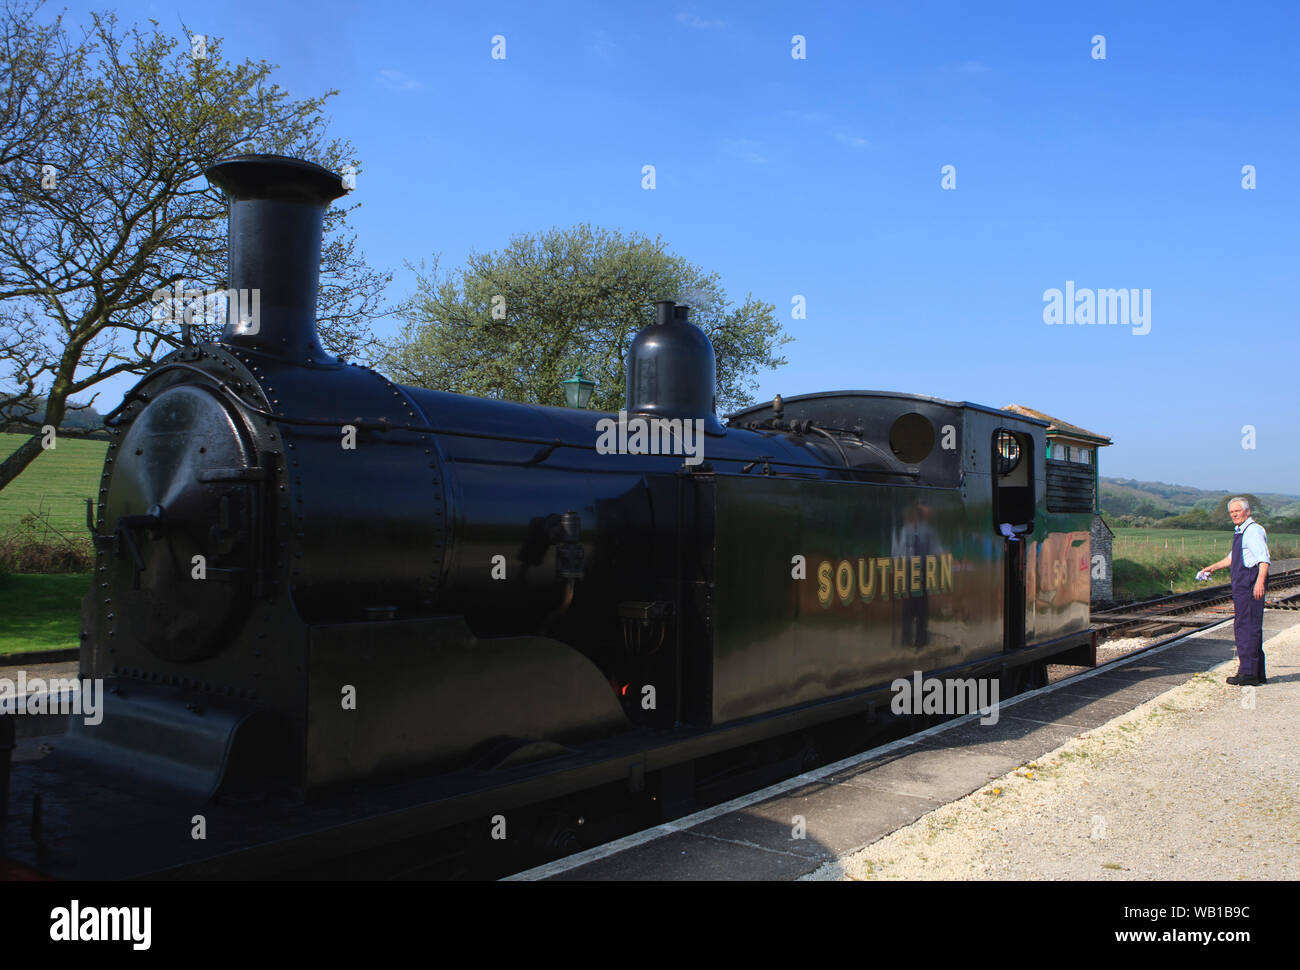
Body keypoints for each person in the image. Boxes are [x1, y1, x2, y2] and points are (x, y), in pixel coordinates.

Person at [1200, 497, 1270, 686]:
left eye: (1237, 511)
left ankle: (1248, 674)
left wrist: (1259, 583)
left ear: (1247, 511)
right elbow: (1232, 558)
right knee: (1247, 626)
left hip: (1249, 585)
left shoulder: (1253, 531)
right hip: (1242, 586)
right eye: (1231, 512)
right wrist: (1211, 568)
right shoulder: (1241, 531)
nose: (1234, 515)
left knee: (1246, 628)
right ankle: (1254, 672)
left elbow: (1263, 559)